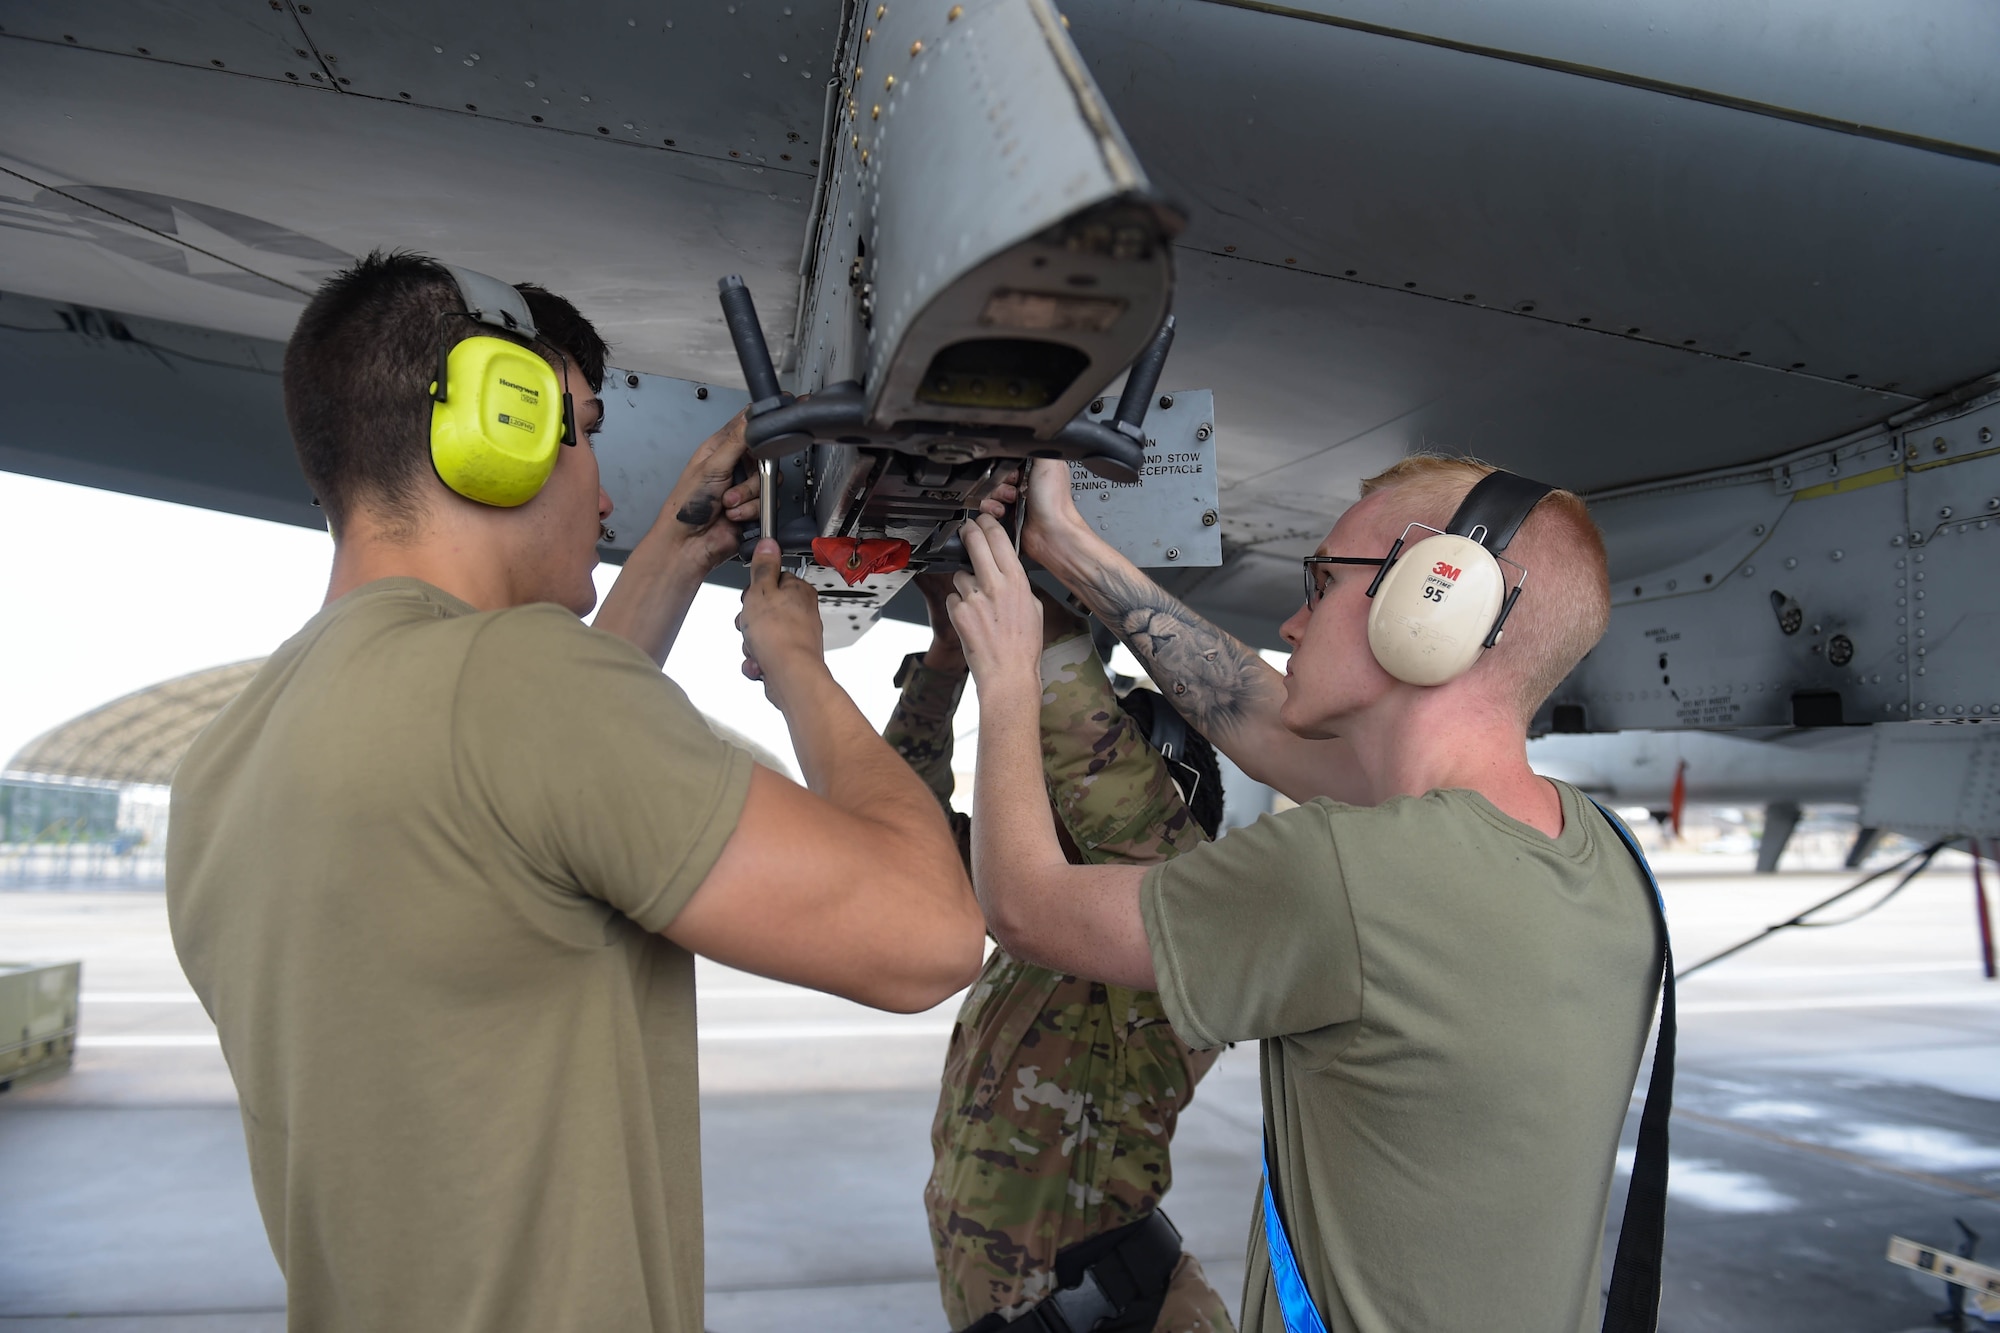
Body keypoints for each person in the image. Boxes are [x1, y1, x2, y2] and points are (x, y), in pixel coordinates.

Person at [165, 251, 984, 1333]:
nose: (602, 492)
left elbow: (519, 810)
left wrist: (673, 555)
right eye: (583, 429)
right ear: (495, 434)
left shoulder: (226, 762)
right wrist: (798, 667)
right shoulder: (523, 689)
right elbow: (926, 936)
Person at [944, 456, 1662, 1332]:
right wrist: (1069, 544)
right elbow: (1253, 715)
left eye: (1321, 583)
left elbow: (1025, 905)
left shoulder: (1349, 873)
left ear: (1433, 602)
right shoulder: (1600, 852)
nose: (1292, 619)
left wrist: (1009, 674)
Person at [883, 574, 1234, 1333]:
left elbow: (1112, 787)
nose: (1038, 804)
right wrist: (944, 664)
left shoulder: (1174, 935)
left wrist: (1030, 610)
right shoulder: (1037, 925)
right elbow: (900, 827)